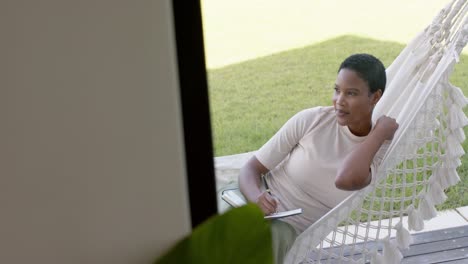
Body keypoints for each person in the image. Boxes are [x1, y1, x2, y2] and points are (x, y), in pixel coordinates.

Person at [238, 53, 399, 263]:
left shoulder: (377, 148)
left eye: (351, 93)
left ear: (375, 97)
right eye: (337, 90)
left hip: (286, 229)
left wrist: (377, 134)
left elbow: (346, 179)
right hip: (250, 200)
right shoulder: (312, 120)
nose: (339, 101)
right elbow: (250, 169)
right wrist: (255, 197)